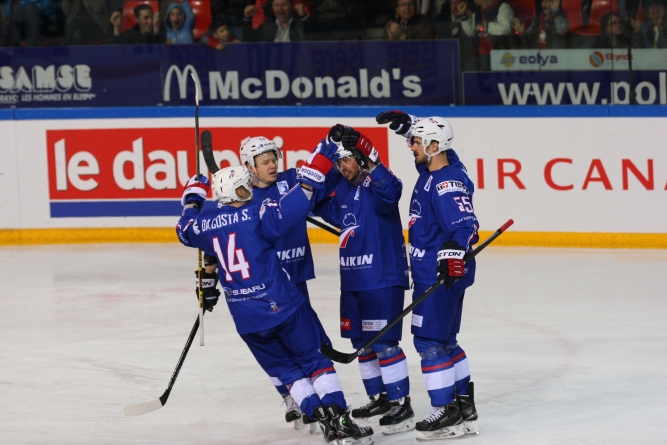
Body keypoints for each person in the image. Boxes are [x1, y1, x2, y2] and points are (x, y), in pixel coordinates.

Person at [176, 143, 374, 445]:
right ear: (240, 192)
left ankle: (322, 421)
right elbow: (299, 200)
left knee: (288, 371)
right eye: (246, 185)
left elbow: (184, 228)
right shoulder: (257, 214)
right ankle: (341, 422)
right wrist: (321, 161)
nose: (251, 188)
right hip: (283, 305)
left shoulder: (206, 225)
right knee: (315, 360)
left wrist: (193, 195)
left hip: (247, 320)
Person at [376, 110, 480, 440]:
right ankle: (464, 405)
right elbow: (441, 158)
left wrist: (452, 253)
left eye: (417, 141)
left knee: (429, 341)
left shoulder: (445, 183)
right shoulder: (438, 168)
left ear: (434, 146)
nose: (411, 146)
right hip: (439, 273)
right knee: (447, 340)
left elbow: (466, 225)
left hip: (438, 275)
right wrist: (411, 125)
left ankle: (444, 410)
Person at [312, 125, 413, 435]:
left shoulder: (377, 182)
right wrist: (326, 157)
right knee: (361, 343)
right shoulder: (341, 187)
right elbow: (315, 202)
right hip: (354, 281)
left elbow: (393, 191)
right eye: (339, 162)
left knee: (383, 343)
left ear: (361, 158)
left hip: (382, 277)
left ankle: (401, 403)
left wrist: (370, 156)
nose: (343, 167)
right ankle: (379, 398)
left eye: (347, 160)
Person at [237, 135, 339, 427]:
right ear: (249, 166)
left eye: (274, 159)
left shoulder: (292, 179)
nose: (272, 165)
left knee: (310, 343)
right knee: (277, 348)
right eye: (265, 161)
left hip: (295, 279)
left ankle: (316, 394)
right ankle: (292, 395)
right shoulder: (241, 197)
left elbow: (326, 182)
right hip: (266, 288)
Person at [458, 0, 514, 70]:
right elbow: (471, 31)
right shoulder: (478, 11)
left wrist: (484, 27)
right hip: (482, 55)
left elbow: (505, 28)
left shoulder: (502, 7)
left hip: (501, 54)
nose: (475, 2)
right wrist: (462, 14)